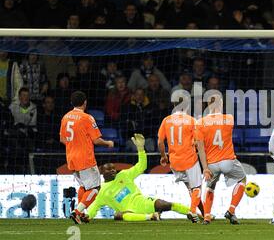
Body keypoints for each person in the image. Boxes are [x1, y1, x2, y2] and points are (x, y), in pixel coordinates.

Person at [85, 134, 191, 222]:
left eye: (113, 168)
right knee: (118, 215)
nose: (113, 170)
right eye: (109, 169)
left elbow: (141, 166)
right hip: (129, 211)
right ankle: (151, 217)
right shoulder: (102, 191)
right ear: (102, 172)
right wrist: (87, 216)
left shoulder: (124, 175)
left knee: (164, 204)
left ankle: (191, 212)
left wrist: (141, 149)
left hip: (142, 202)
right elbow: (94, 207)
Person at [60, 91, 114, 224]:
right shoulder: (87, 118)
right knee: (95, 188)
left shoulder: (66, 117)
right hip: (85, 158)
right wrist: (108, 143)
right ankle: (77, 212)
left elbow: (62, 139)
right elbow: (96, 140)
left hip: (71, 158)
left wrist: (75, 143)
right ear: (85, 102)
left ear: (72, 103)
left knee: (84, 187)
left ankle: (80, 213)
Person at [195, 92, 247, 225]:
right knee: (242, 179)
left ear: (207, 105)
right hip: (228, 160)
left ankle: (206, 217)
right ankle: (231, 210)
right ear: (221, 104)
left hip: (211, 163)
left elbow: (200, 148)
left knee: (210, 186)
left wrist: (205, 168)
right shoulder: (229, 118)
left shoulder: (200, 123)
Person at [157, 94, 210, 223]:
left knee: (191, 190)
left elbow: (159, 142)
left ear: (174, 105)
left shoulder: (166, 120)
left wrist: (164, 156)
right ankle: (192, 211)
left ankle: (203, 214)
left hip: (174, 162)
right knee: (197, 187)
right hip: (190, 160)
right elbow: (198, 142)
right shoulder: (192, 121)